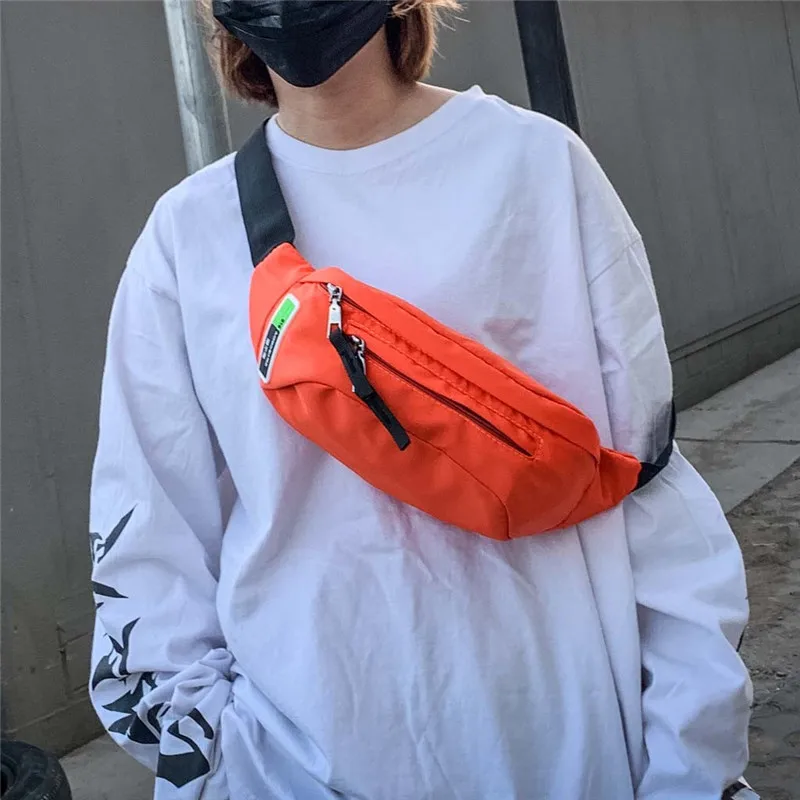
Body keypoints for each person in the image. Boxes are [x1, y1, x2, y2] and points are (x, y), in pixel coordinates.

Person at [88, 1, 754, 798]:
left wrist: (689, 764)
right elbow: (146, 540)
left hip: (570, 754)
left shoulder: (538, 168)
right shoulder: (187, 235)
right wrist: (224, 764)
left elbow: (649, 489)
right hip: (292, 767)